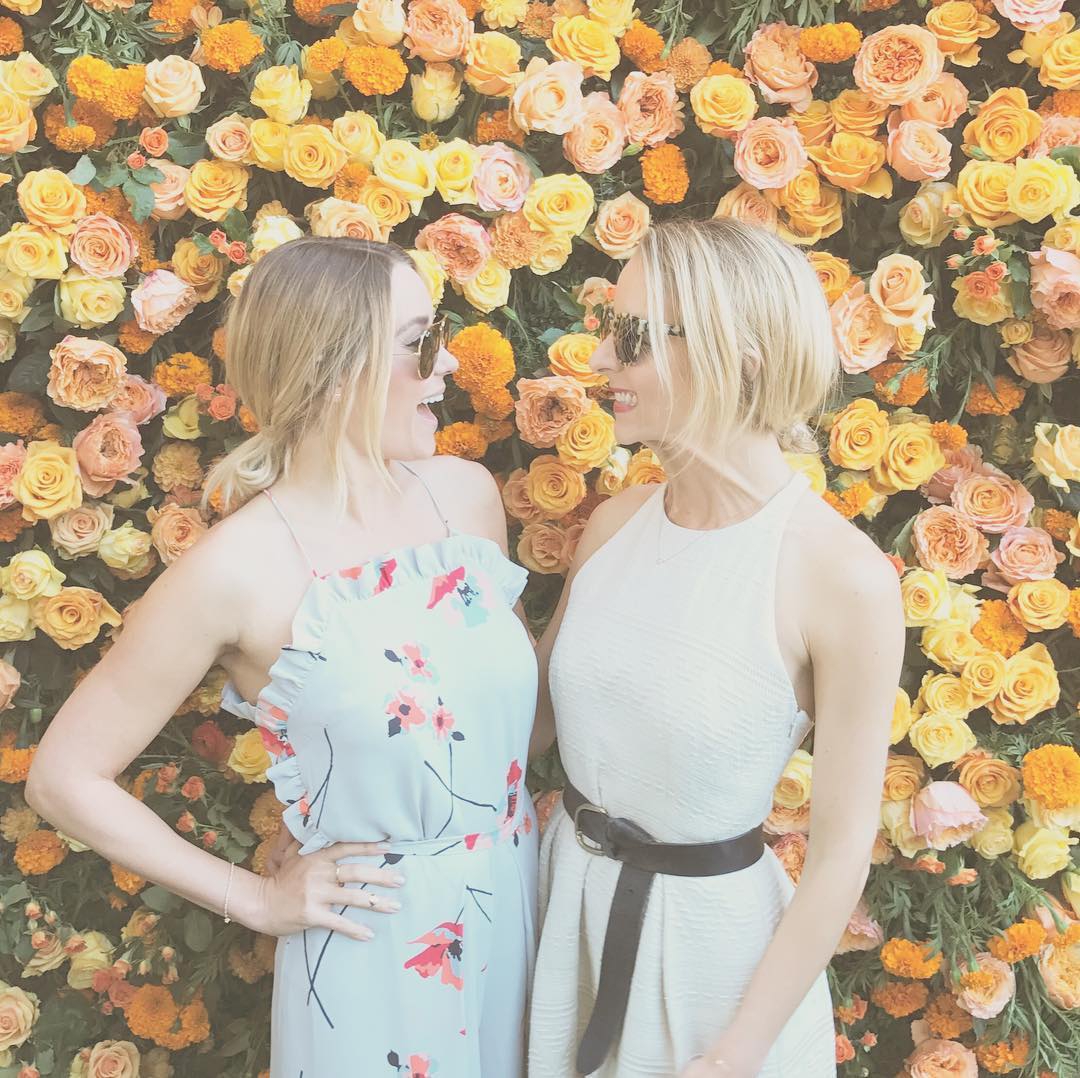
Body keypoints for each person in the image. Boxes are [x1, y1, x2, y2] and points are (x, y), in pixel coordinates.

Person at [26, 237, 539, 1077]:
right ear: (335, 369)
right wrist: (257, 898)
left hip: (521, 910)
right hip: (380, 953)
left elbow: (508, 716)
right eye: (419, 341)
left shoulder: (467, 498)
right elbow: (63, 777)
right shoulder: (236, 570)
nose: (446, 362)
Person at [527, 217, 905, 1077]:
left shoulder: (841, 577)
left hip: (712, 975)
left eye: (632, 337)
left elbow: (840, 853)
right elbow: (528, 726)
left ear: (738, 356)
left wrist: (739, 1052)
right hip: (567, 915)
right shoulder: (614, 525)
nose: (600, 360)